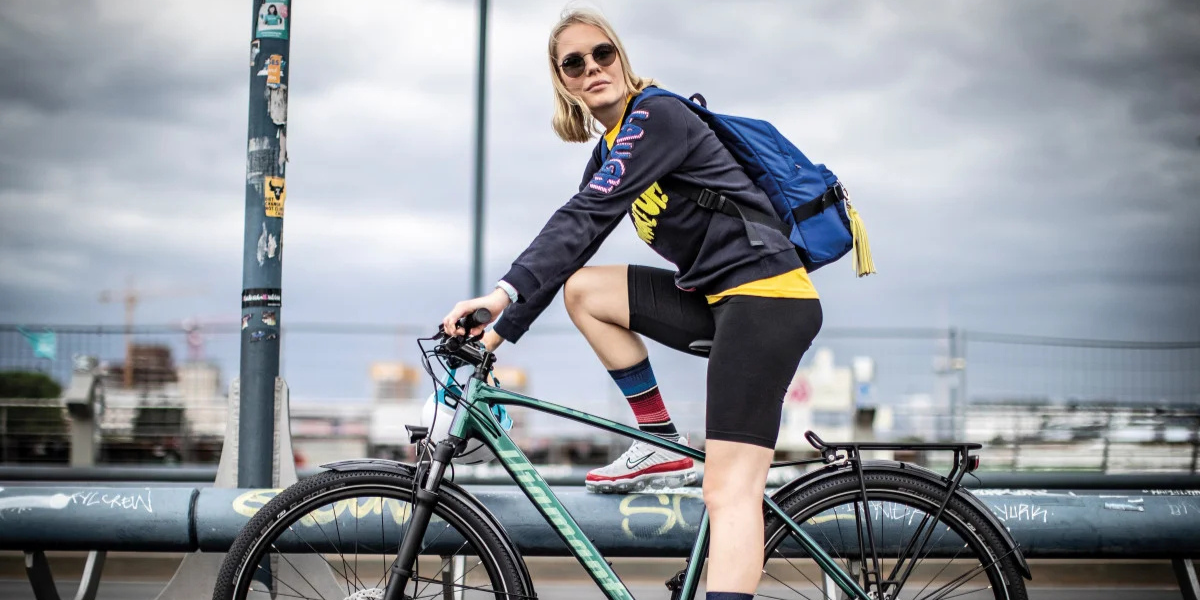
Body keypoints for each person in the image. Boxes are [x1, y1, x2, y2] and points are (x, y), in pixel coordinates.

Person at [442, 8, 822, 598]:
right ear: (562, 81)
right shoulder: (610, 151)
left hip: (767, 298)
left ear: (621, 58)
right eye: (575, 63)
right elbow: (575, 245)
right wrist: (492, 337)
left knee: (729, 491)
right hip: (717, 298)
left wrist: (499, 291)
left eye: (603, 54)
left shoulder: (658, 115)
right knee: (585, 290)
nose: (592, 68)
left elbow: (581, 217)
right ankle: (656, 440)